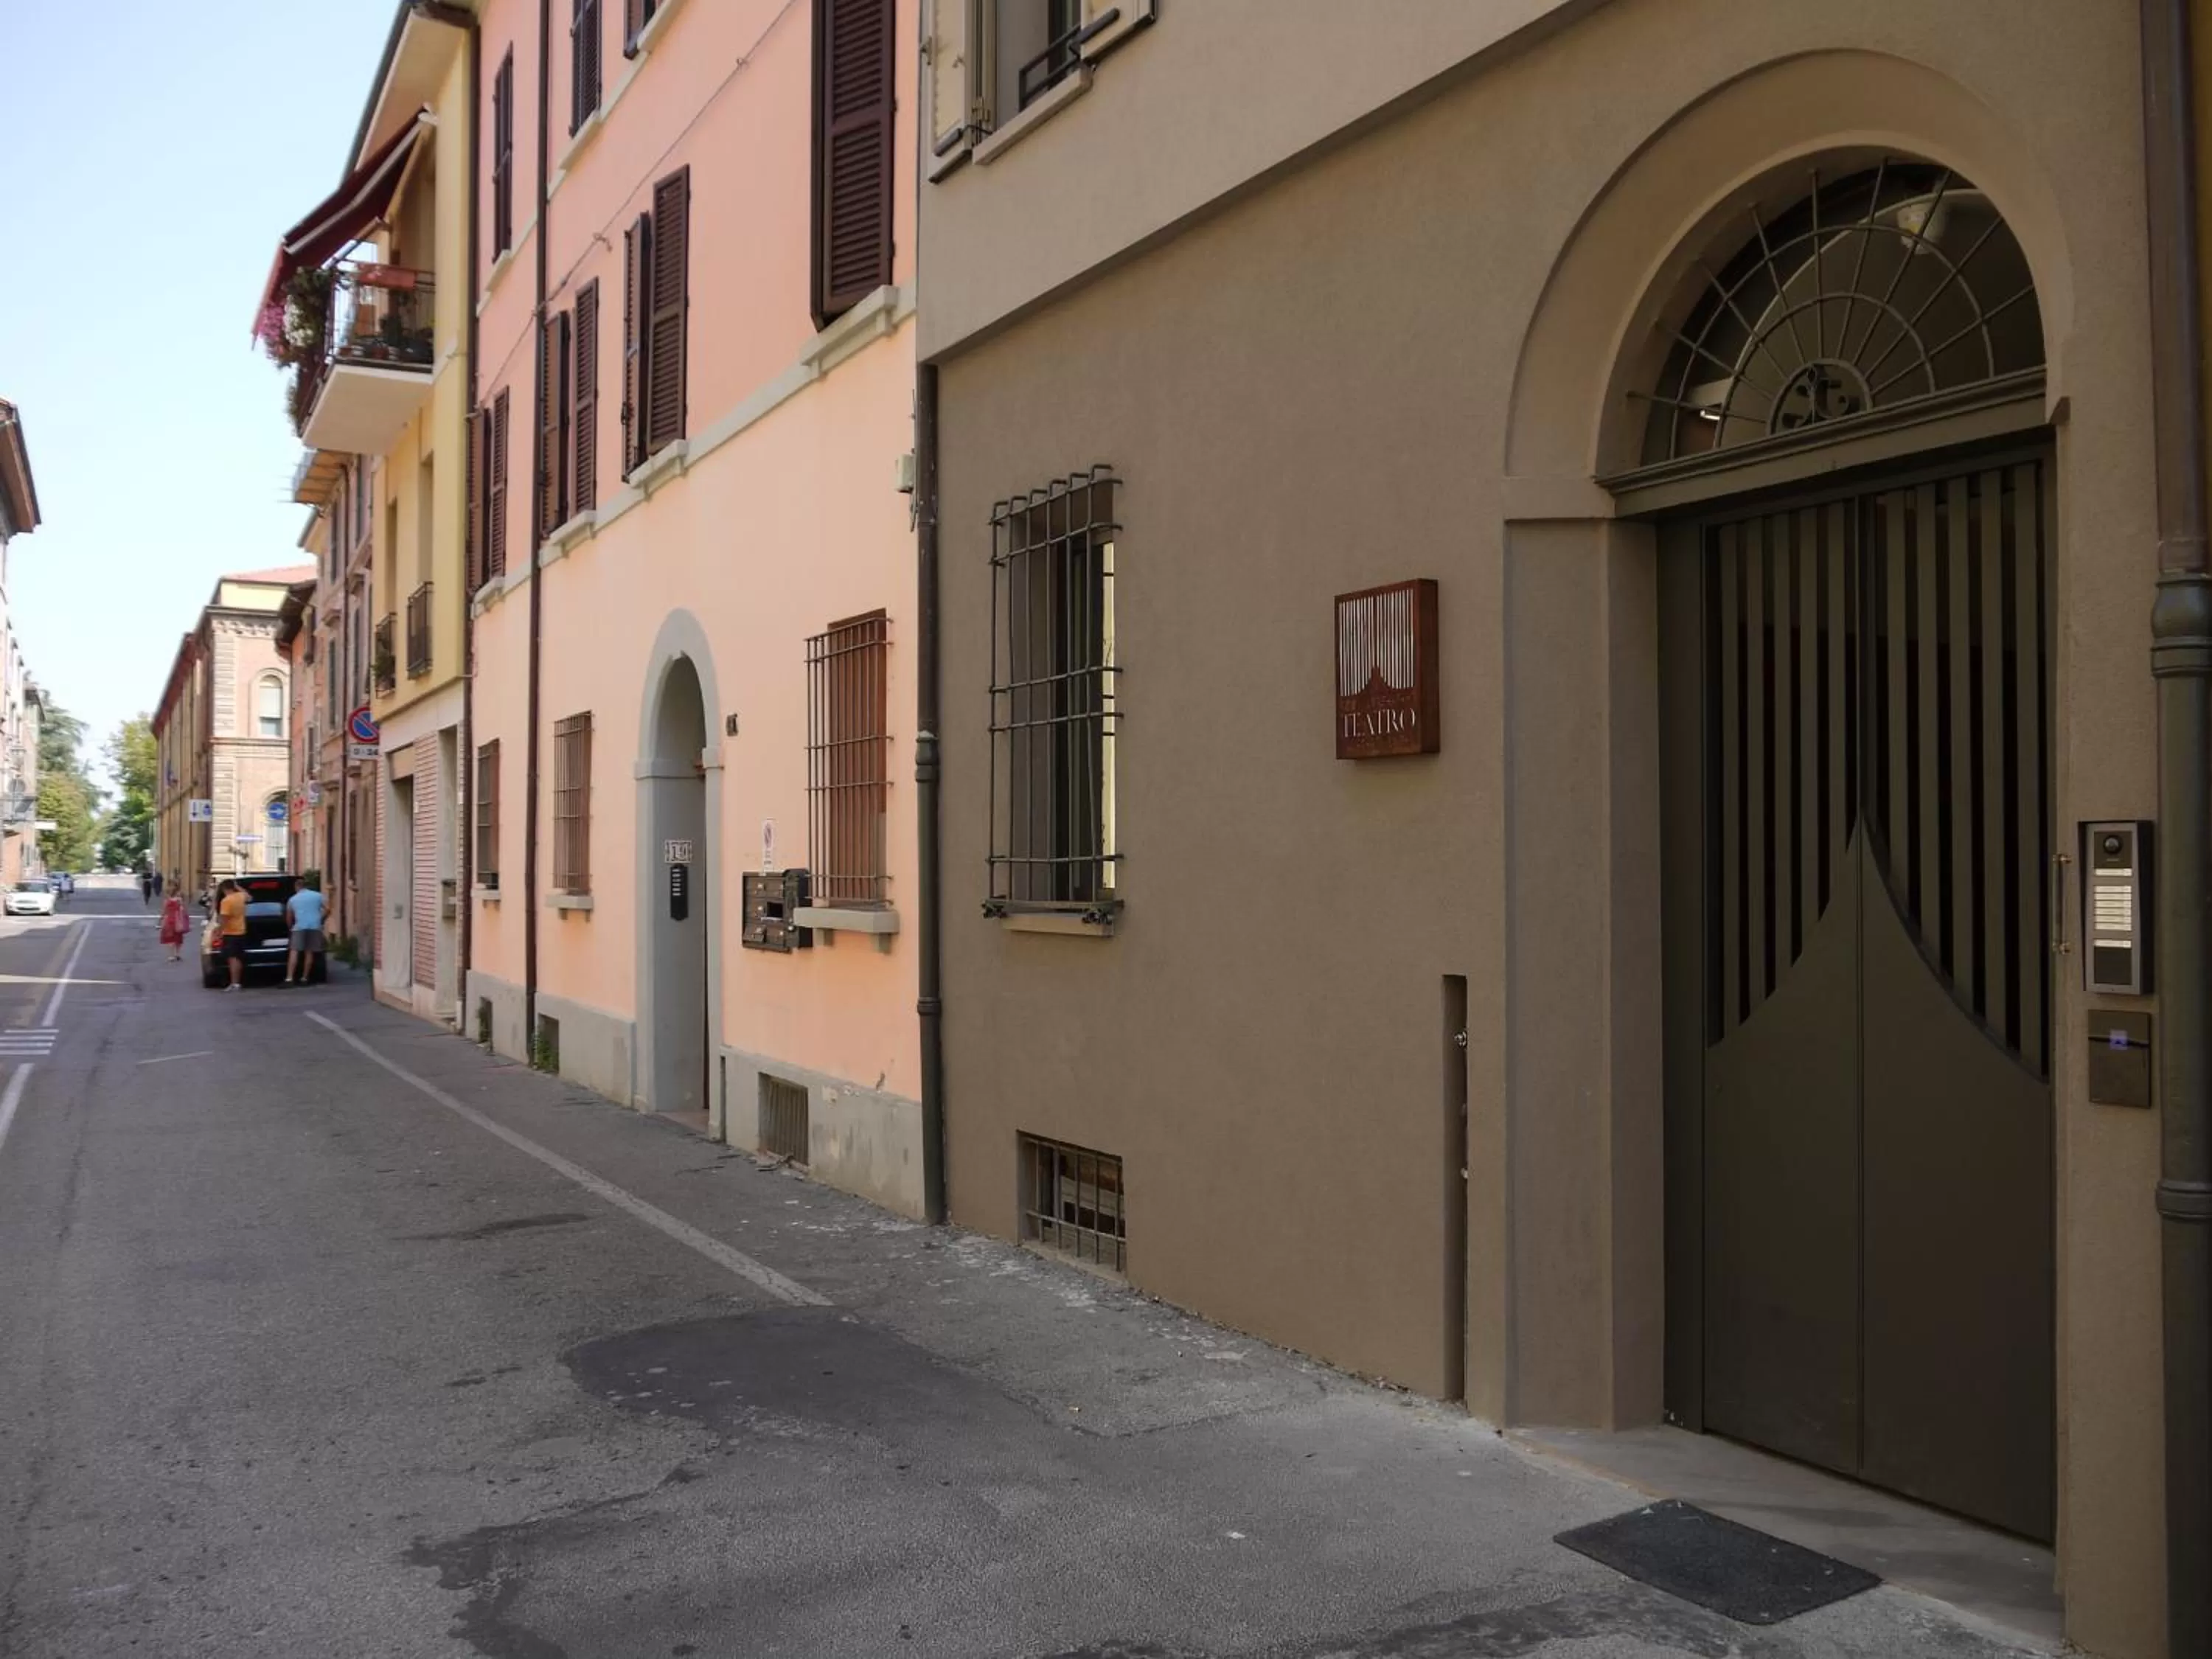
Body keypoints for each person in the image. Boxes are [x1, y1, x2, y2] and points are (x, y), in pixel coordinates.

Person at [285, 877, 327, 987]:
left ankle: (289, 979)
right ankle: (305, 978)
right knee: (309, 952)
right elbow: (328, 909)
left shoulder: (293, 899)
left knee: (294, 952)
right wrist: (321, 919)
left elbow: (289, 917)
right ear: (306, 886)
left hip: (299, 928)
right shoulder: (318, 896)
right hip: (315, 927)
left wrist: (290, 928)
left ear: (296, 887)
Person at [216, 879, 248, 991]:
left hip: (231, 933)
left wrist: (219, 932)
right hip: (241, 931)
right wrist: (238, 887)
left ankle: (234, 983)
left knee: (232, 958)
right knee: (238, 958)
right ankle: (237, 982)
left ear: (224, 889)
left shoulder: (226, 901)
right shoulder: (240, 896)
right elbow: (250, 897)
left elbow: (224, 919)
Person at [159, 888, 189, 963]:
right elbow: (185, 910)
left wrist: (160, 920)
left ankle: (172, 955)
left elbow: (164, 912)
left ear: (169, 894)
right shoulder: (179, 900)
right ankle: (177, 954)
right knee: (178, 938)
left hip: (170, 921)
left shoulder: (167, 901)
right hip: (179, 921)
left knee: (170, 938)